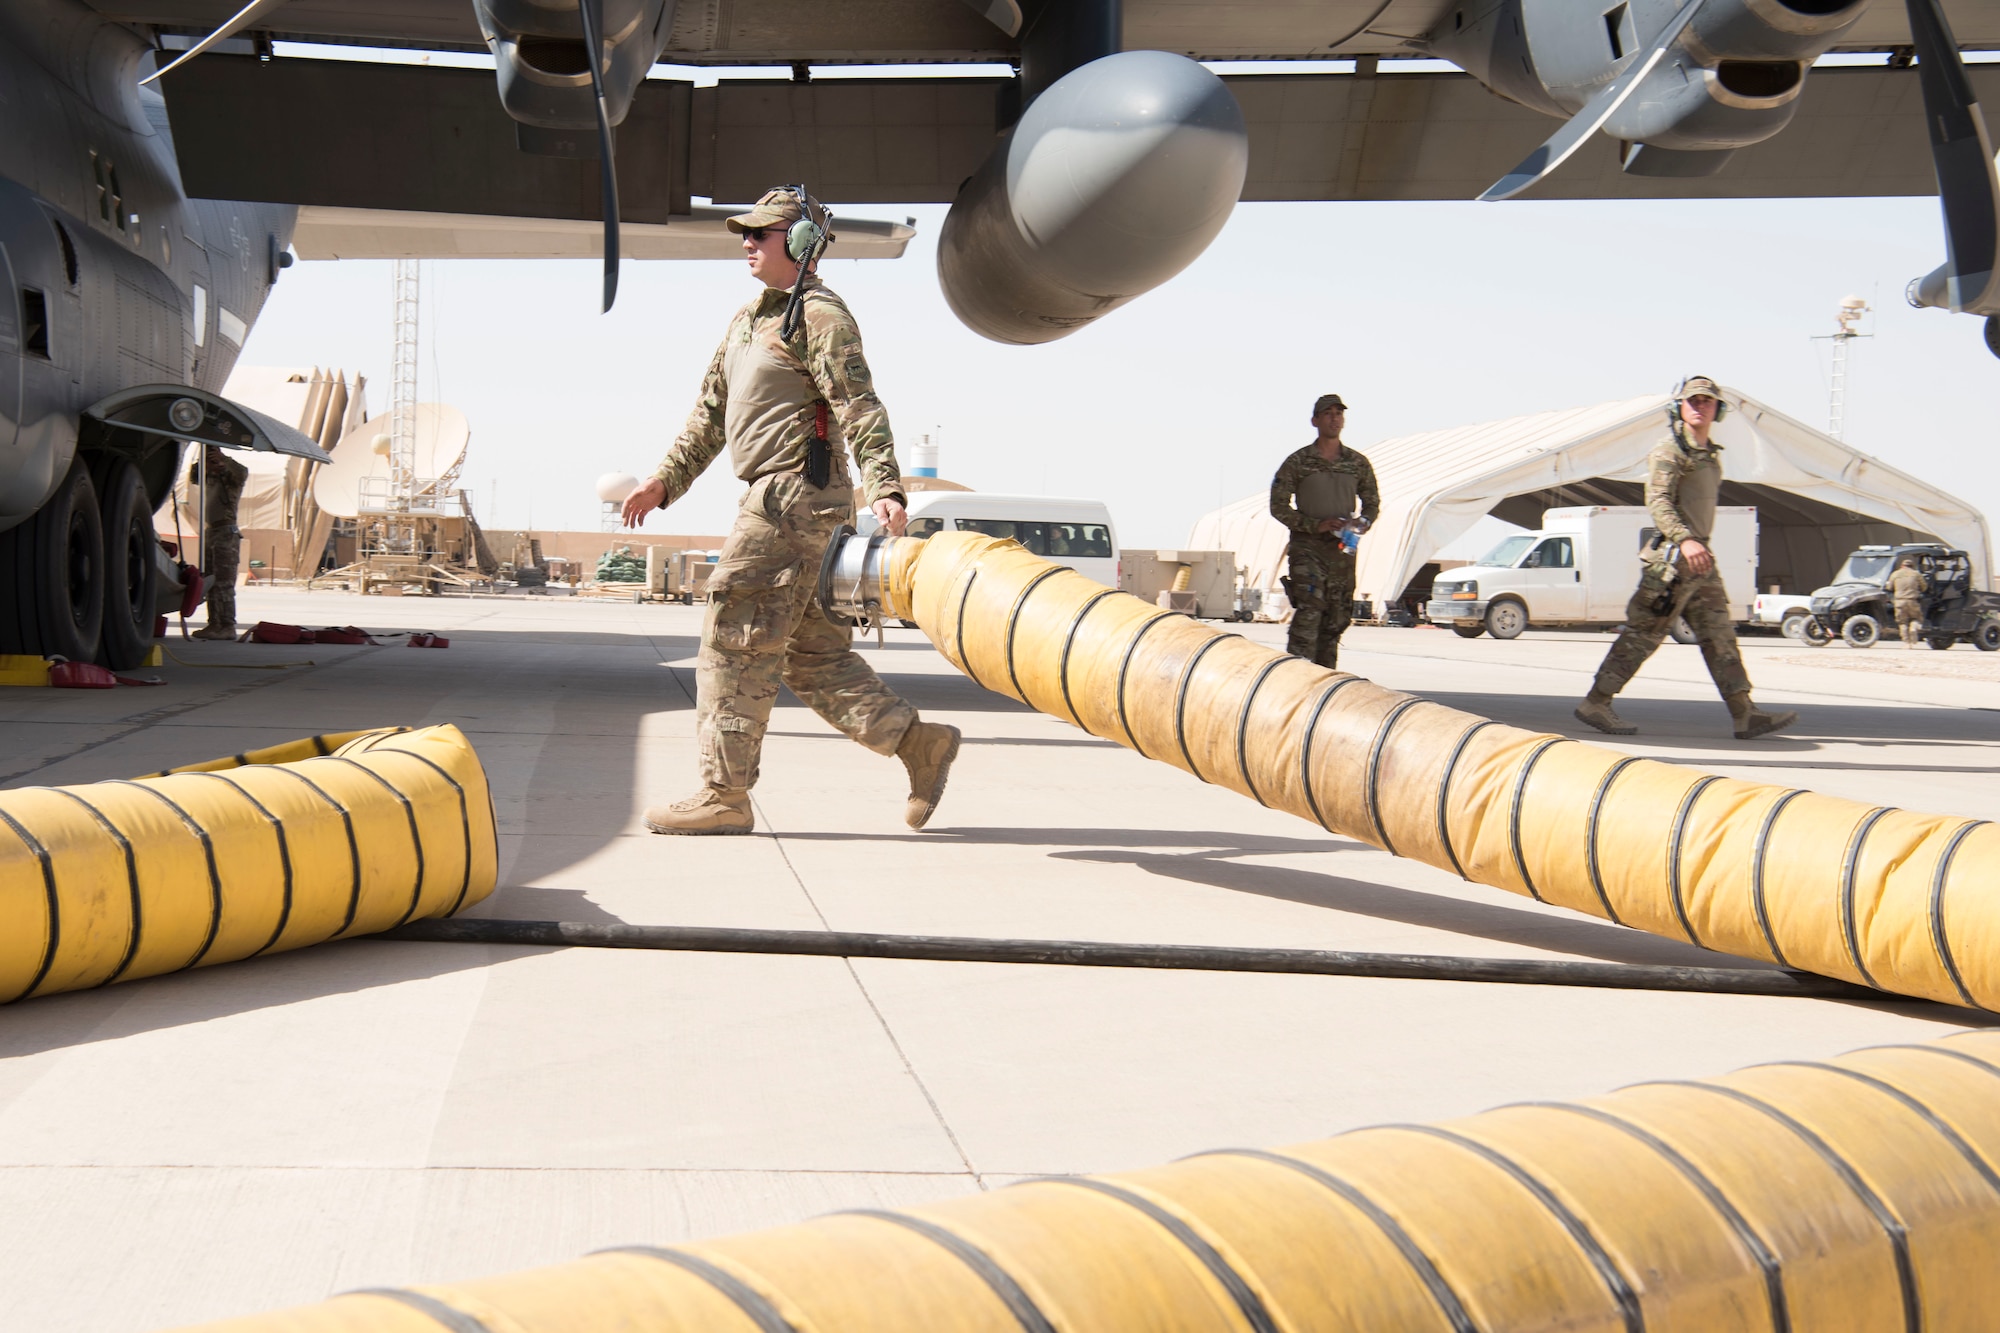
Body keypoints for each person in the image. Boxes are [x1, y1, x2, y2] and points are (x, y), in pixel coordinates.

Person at [621, 186, 959, 835]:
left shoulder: (821, 316)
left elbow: (860, 404)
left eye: (761, 233)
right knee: (808, 653)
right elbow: (710, 415)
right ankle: (919, 743)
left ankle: (724, 793)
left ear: (801, 243)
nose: (747, 243)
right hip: (775, 496)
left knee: (733, 629)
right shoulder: (748, 322)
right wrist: (664, 481)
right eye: (744, 233)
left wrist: (886, 485)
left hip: (792, 496)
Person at [1574, 377, 1797, 740]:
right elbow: (1658, 501)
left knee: (1720, 634)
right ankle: (1596, 702)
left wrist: (1698, 545)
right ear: (1679, 406)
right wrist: (1686, 539)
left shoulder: (1709, 454)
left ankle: (1744, 713)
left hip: (1700, 561)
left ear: (1717, 409)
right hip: (1674, 562)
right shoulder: (1669, 451)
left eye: (1706, 401)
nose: (1699, 406)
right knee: (1644, 634)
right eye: (1692, 400)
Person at [1269, 393, 1379, 670]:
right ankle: (1296, 672)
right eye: (1328, 413)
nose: (1334, 418)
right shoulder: (1298, 462)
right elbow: (1278, 505)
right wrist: (1314, 525)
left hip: (1342, 549)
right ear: (1315, 420)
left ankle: (1325, 675)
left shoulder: (1357, 463)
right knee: (1311, 608)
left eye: (1338, 413)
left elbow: (1372, 503)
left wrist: (1361, 523)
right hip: (1308, 548)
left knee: (1337, 616)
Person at [193, 444, 248, 641]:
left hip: (226, 532)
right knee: (210, 580)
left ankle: (227, 625)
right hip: (212, 532)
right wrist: (206, 465)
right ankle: (214, 623)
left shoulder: (232, 474)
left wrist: (224, 462)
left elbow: (242, 474)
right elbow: (194, 476)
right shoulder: (210, 475)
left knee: (224, 582)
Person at [1887, 555, 1928, 649]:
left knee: (1902, 622)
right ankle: (1913, 628)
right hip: (1912, 601)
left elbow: (1889, 587)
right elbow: (1924, 587)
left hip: (1899, 602)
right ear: (1912, 566)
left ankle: (1906, 643)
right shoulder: (1916, 574)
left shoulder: (1895, 574)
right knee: (1916, 618)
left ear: (1902, 566)